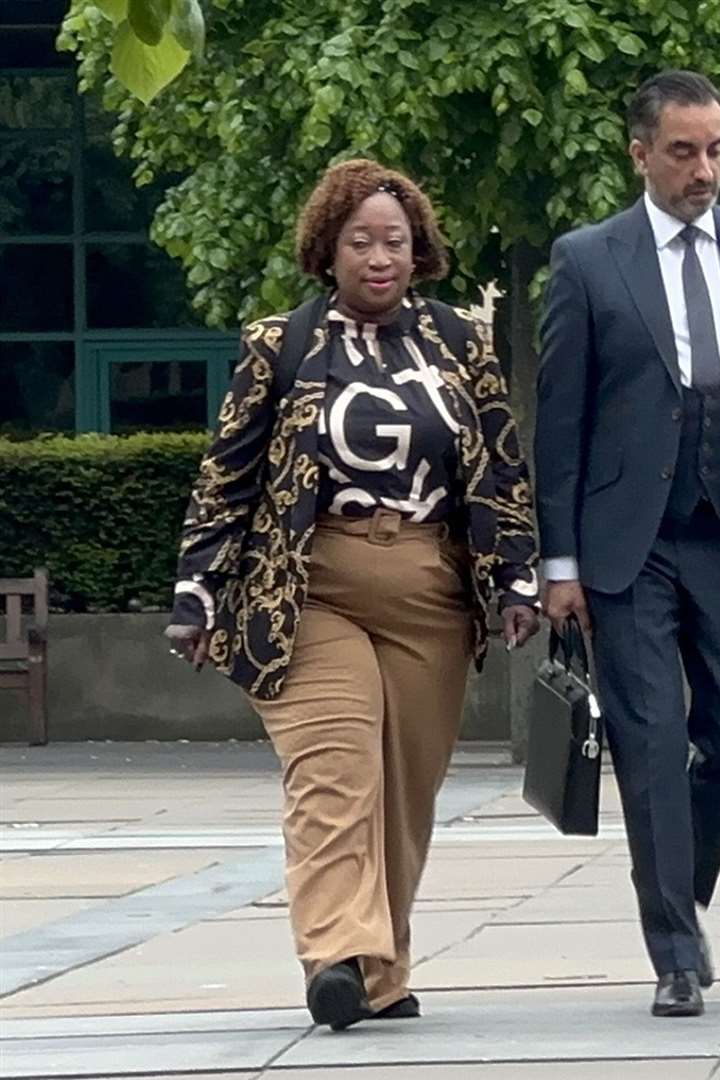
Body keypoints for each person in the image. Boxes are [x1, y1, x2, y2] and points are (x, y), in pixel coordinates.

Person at [164, 159, 541, 1030]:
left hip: (430, 592)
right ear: (326, 252)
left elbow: (500, 469)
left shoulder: (458, 343)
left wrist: (517, 576)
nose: (380, 257)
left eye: (396, 242)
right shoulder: (281, 344)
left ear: (420, 252)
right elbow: (226, 477)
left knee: (405, 791)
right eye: (360, 241)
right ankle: (334, 952)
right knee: (335, 773)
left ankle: (382, 970)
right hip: (309, 589)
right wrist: (198, 592)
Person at [535, 70, 720, 1018]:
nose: (704, 168)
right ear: (640, 153)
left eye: (716, 149)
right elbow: (560, 425)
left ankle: (680, 888)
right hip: (626, 548)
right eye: (682, 151)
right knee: (651, 743)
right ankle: (673, 951)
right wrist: (559, 565)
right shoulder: (587, 260)